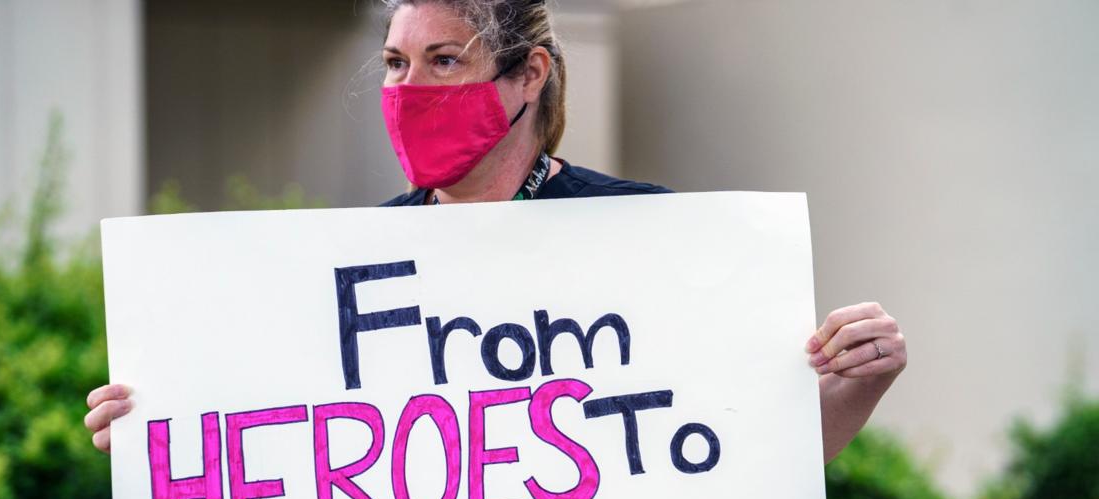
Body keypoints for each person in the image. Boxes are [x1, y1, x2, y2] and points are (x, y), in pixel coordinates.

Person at [84, 0, 907, 464]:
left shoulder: (645, 238)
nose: (409, 88)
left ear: (529, 75)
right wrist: (159, 446)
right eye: (397, 64)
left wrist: (857, 382)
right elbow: (293, 468)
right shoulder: (355, 268)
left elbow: (743, 462)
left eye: (444, 60)